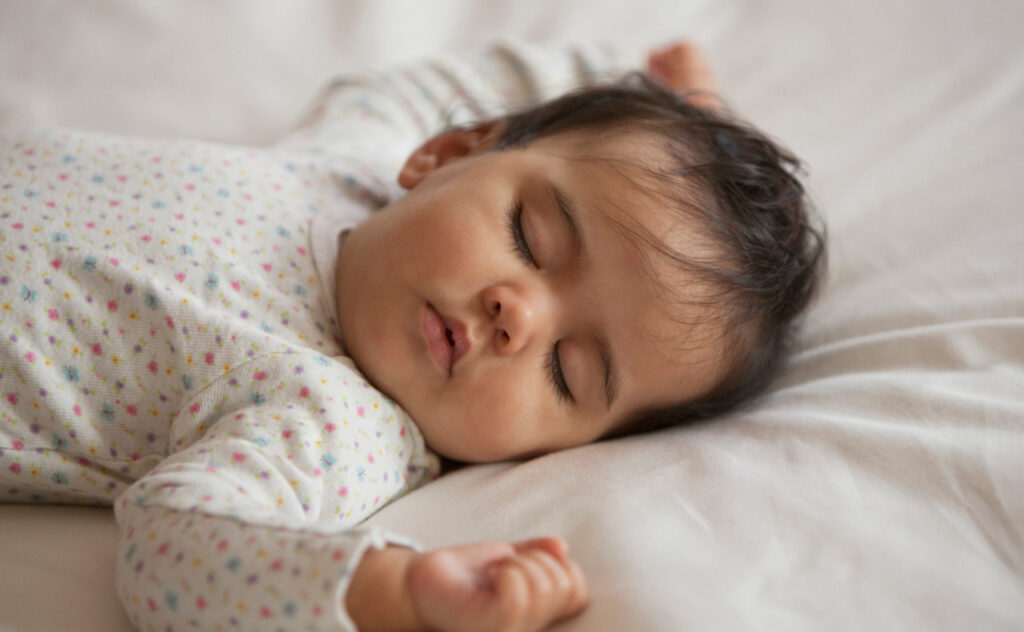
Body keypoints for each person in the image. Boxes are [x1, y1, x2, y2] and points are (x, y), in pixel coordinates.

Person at [0, 41, 823, 631]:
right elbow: (440, 83)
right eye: (531, 238)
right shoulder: (346, 166)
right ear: (449, 153)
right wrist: (681, 115)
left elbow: (177, 548)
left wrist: (397, 591)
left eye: (568, 373)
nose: (519, 317)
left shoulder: (329, 418)